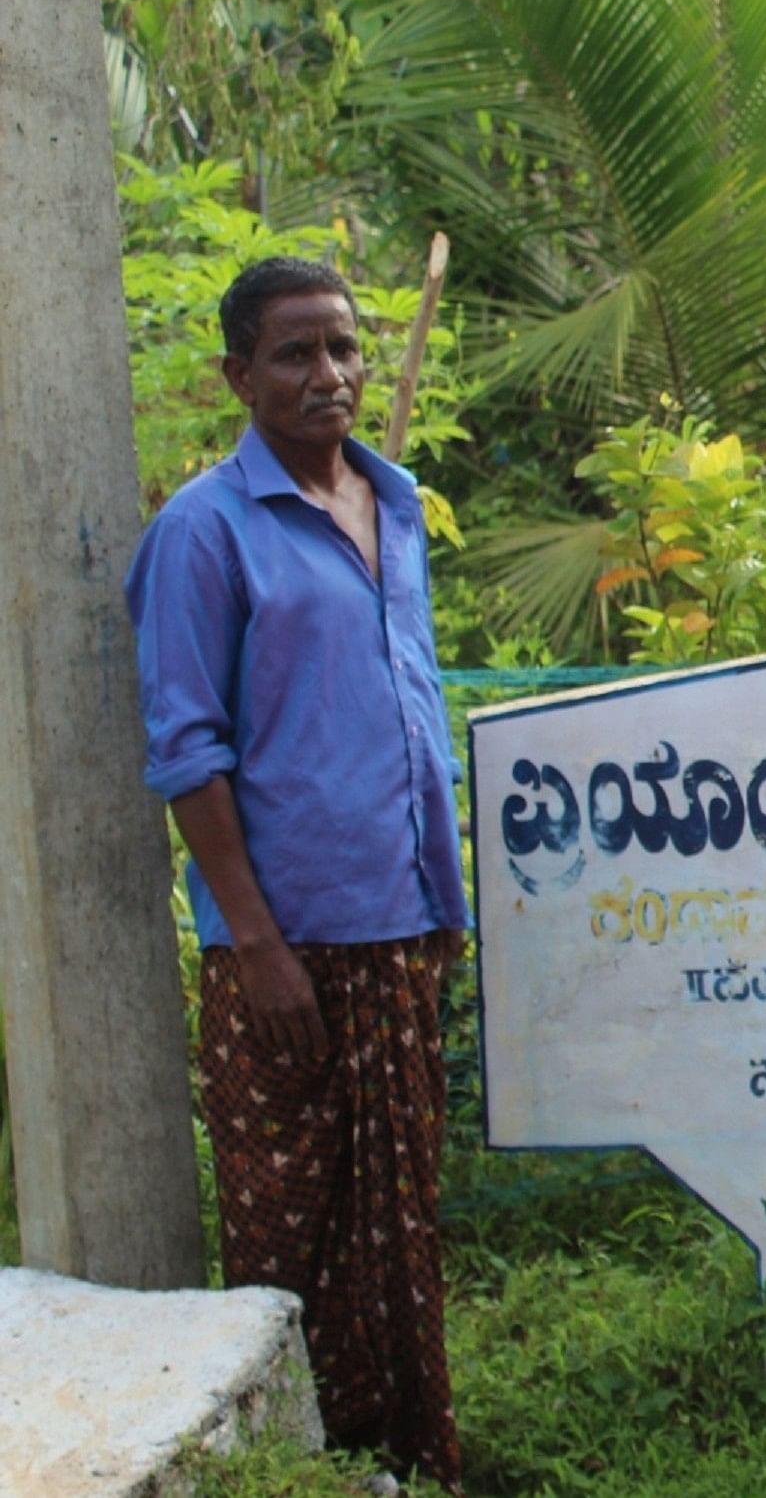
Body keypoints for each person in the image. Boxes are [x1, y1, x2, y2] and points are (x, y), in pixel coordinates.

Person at [125, 256, 469, 1493]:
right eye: (293, 353)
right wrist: (256, 945)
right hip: (284, 947)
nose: (327, 375)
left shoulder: (397, 500)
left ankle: (410, 1459)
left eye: (343, 348)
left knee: (400, 1218)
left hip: (403, 919)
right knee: (290, 1223)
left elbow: (406, 702)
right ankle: (294, 1469)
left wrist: (443, 901)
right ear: (239, 375)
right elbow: (187, 751)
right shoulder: (203, 532)